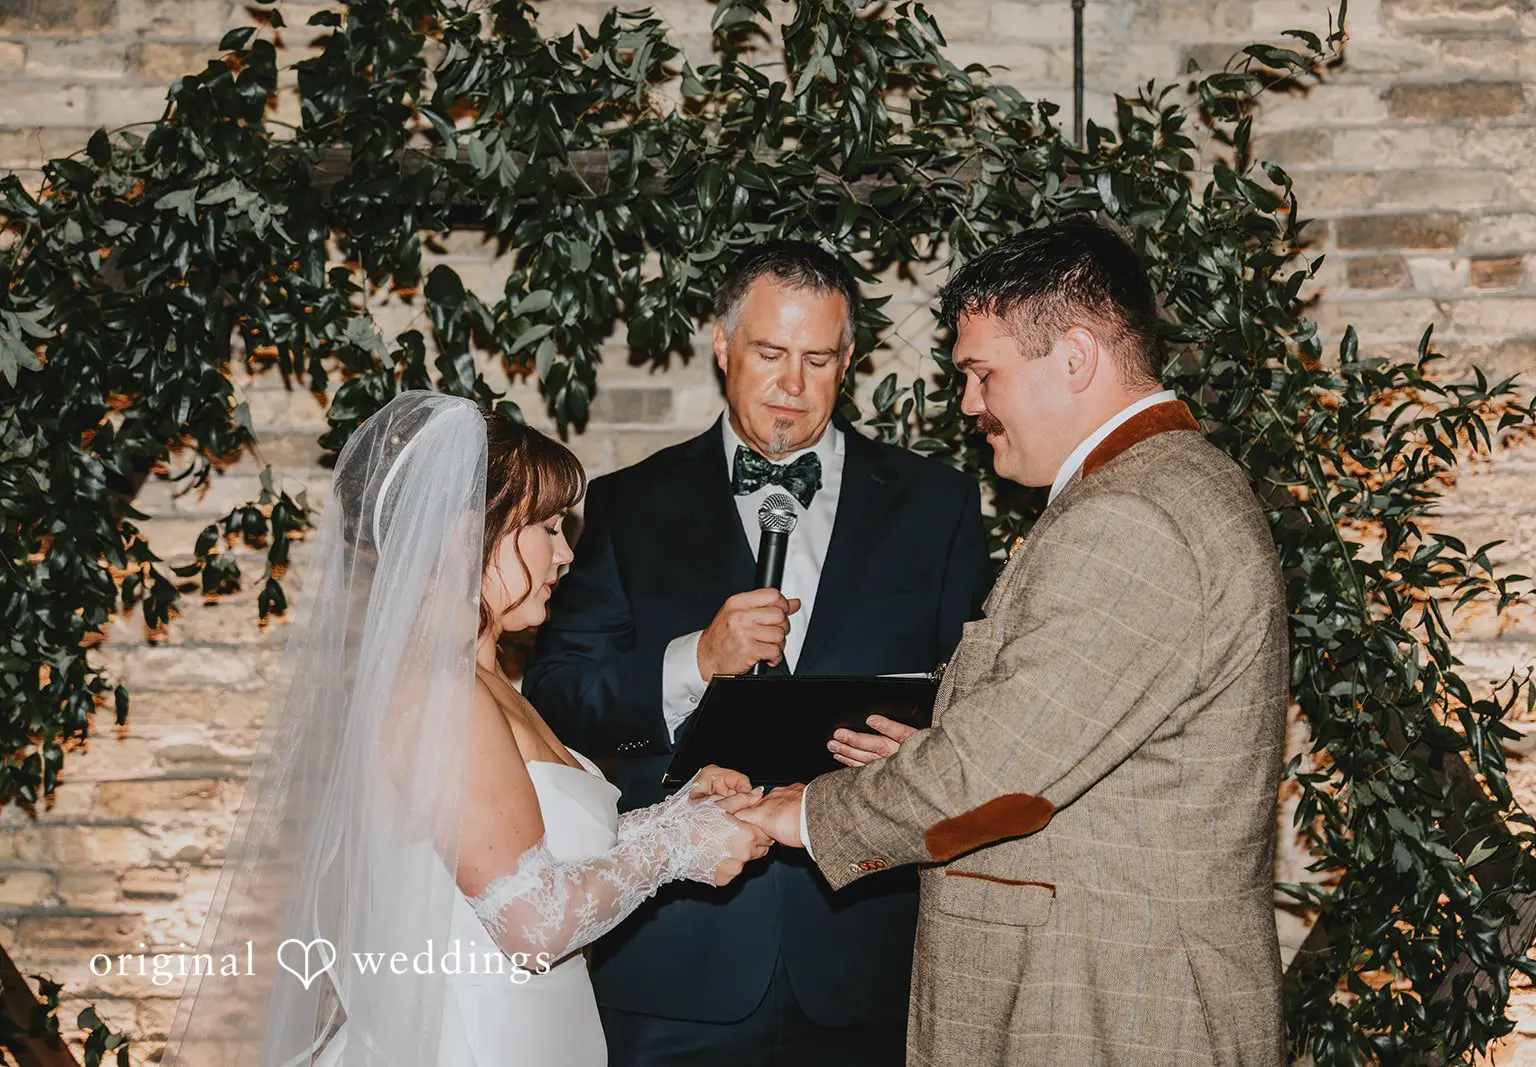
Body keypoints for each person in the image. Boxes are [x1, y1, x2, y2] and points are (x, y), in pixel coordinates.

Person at [740, 217, 1290, 1066]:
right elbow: (1077, 756)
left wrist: (805, 812)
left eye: (981, 374)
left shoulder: (1131, 518)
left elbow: (998, 776)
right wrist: (935, 746)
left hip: (1105, 1011)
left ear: (1073, 358)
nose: (968, 405)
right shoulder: (1163, 487)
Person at [163, 392, 772, 1067]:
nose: (565, 554)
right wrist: (676, 848)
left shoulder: (489, 685)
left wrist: (676, 815)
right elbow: (533, 923)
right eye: (544, 527)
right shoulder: (438, 692)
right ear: (463, 535)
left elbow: (527, 860)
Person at [524, 240, 992, 1065]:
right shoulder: (630, 505)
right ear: (721, 345)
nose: (792, 386)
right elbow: (559, 696)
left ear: (848, 360)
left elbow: (982, 704)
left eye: (818, 361)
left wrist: (927, 746)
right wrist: (694, 661)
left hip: (868, 961)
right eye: (771, 354)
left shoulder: (935, 505)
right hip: (673, 967)